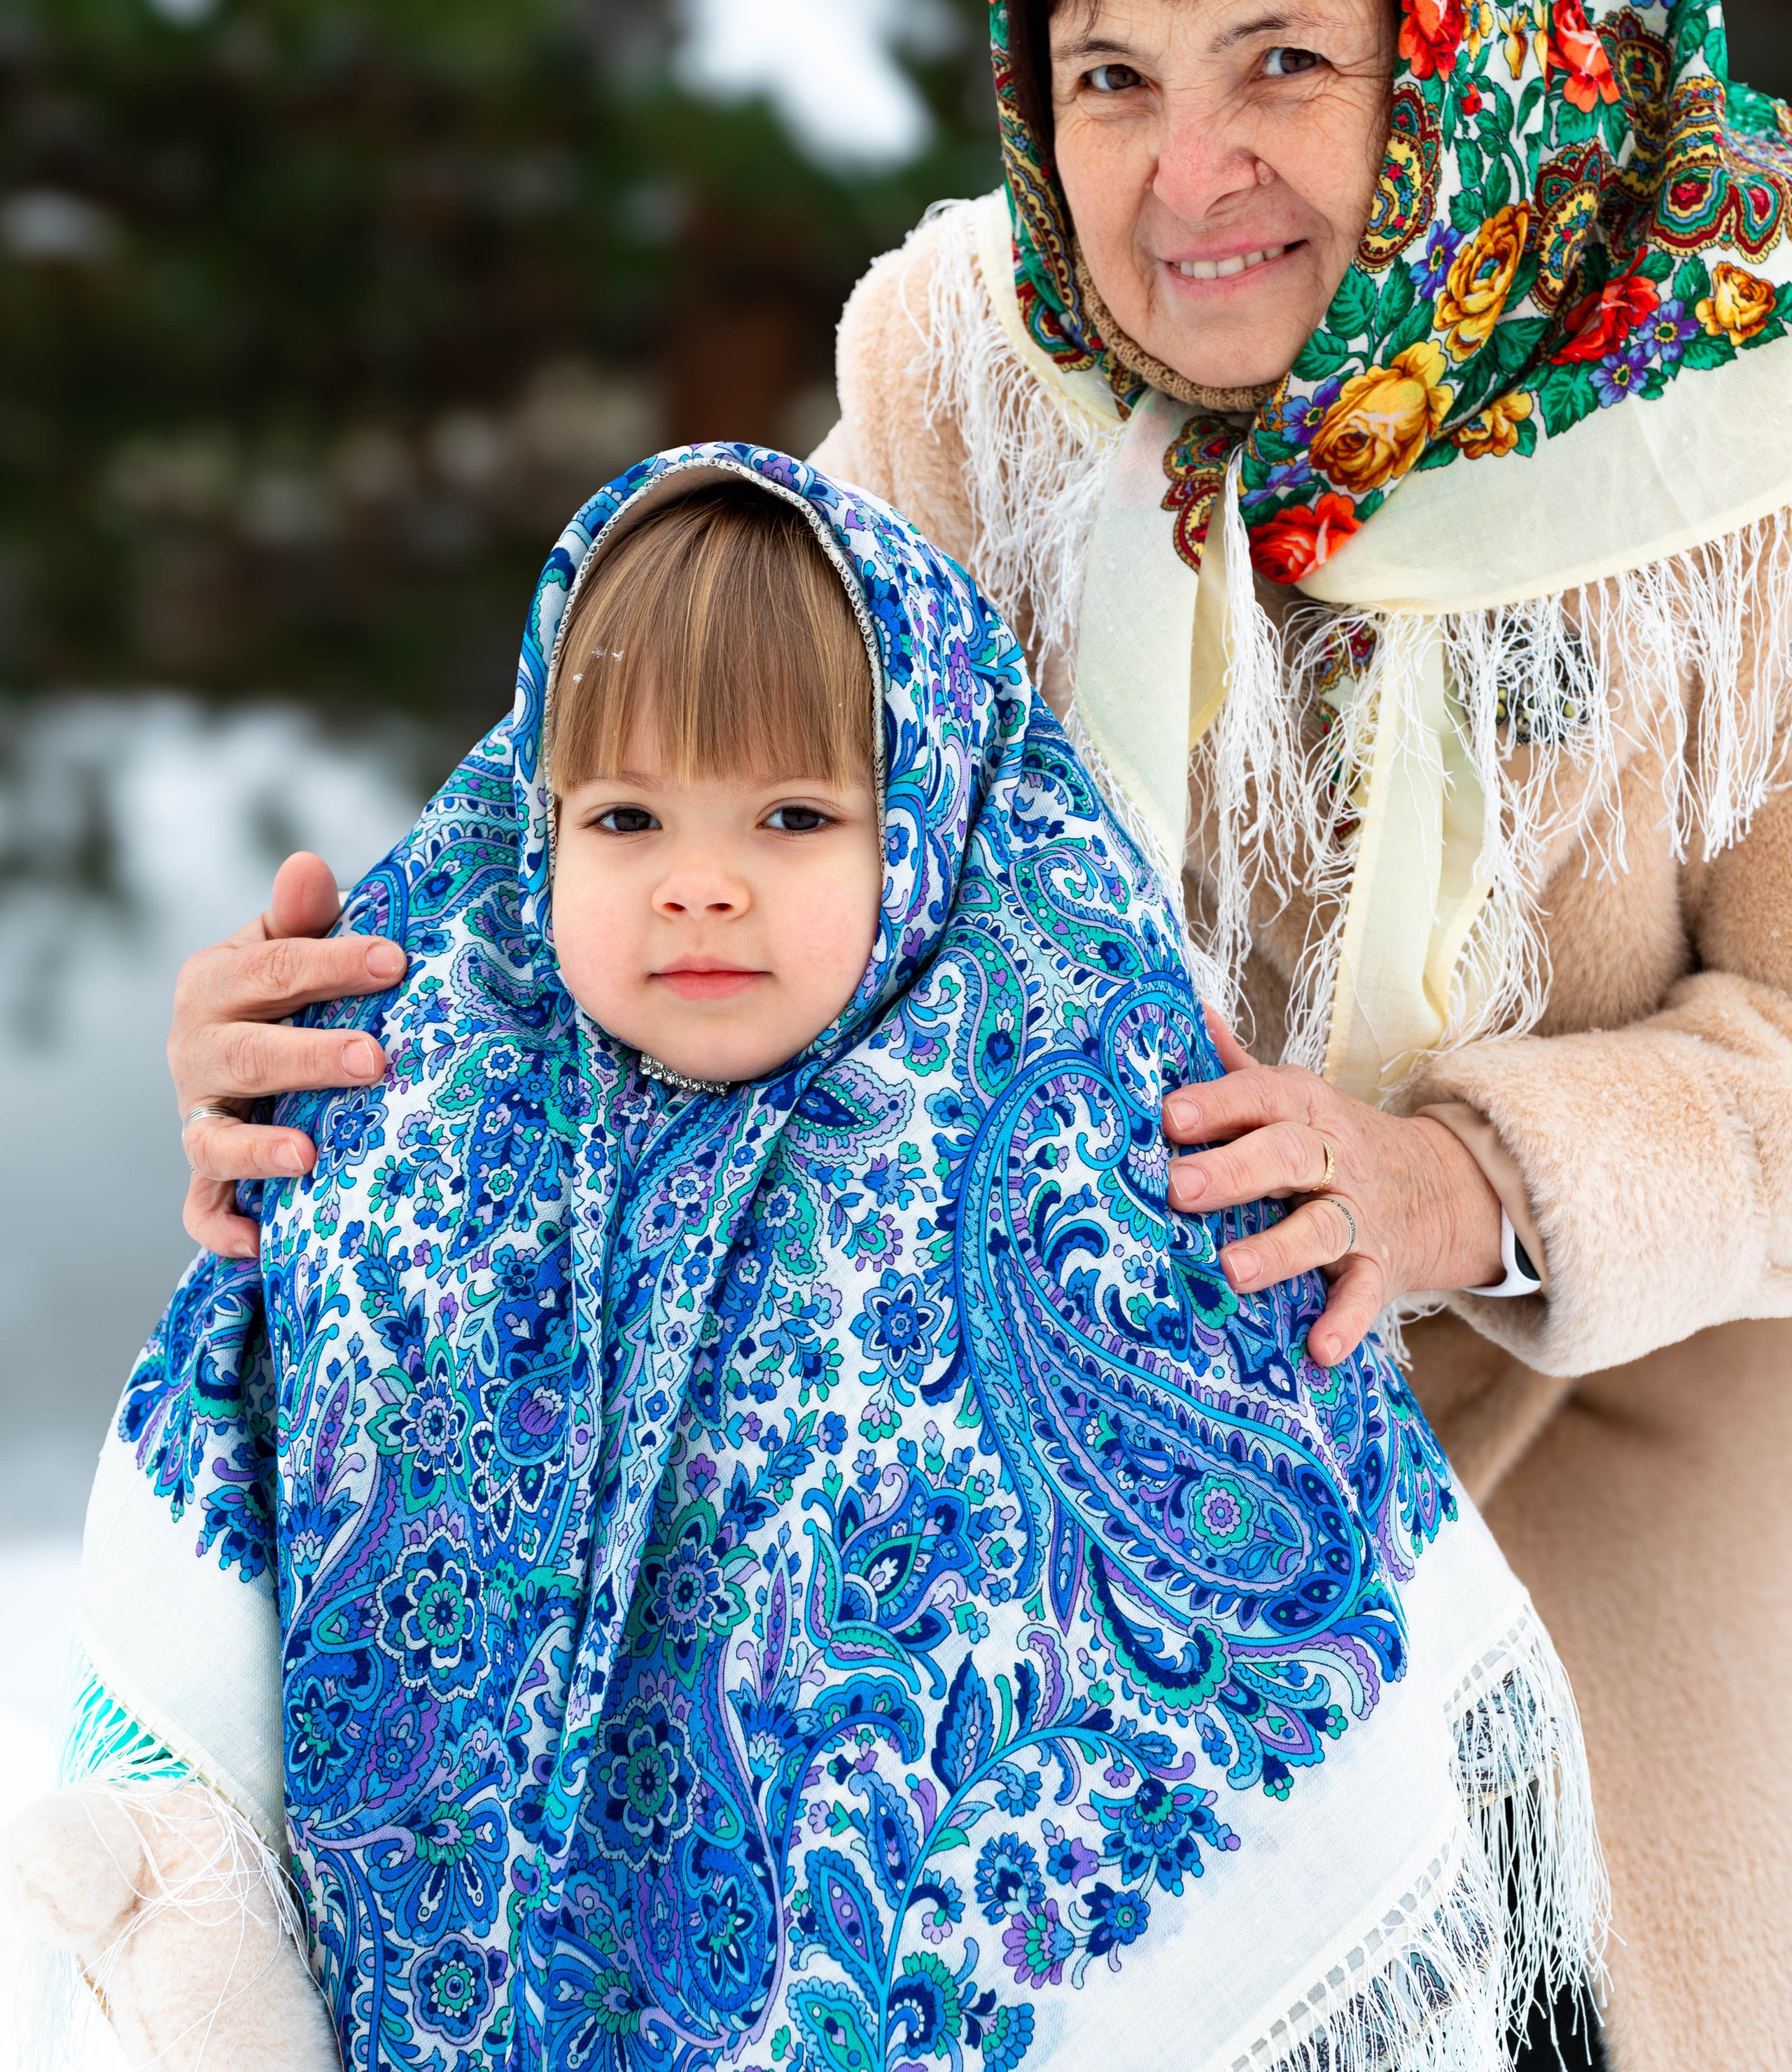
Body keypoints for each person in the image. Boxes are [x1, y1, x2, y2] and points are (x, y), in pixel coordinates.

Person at [166, 0, 1792, 2066]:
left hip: (1595, 1485)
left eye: (1283, 64)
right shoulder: (975, 377)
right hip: (1039, 1574)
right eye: (1109, 80)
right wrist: (349, 1033)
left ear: (1458, 51)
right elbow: (678, 794)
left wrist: (1466, 1182)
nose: (1182, 174)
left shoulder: (1732, 448)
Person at [6, 452, 1601, 2071]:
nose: (700, 880)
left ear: (914, 826)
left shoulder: (1064, 1161)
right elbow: (254, 1481)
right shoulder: (416, 1130)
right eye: (625, 818)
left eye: (791, 815)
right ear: (533, 822)